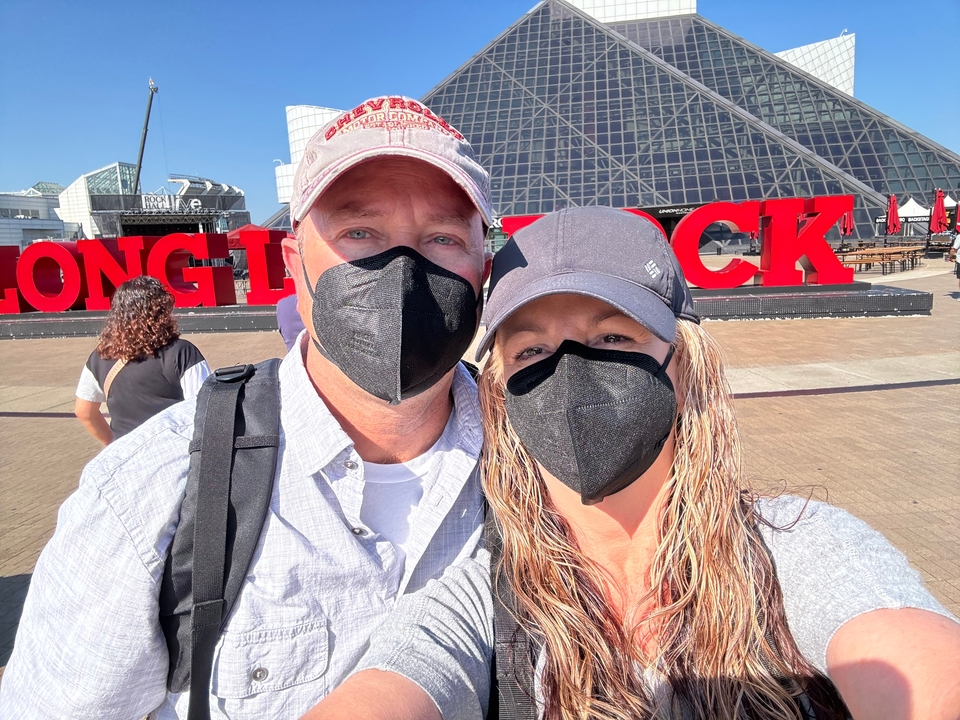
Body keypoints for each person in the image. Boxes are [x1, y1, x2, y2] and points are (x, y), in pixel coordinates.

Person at [1, 96, 495, 720]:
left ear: (483, 268)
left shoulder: (534, 464)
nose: (400, 268)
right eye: (359, 232)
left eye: (443, 236)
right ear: (294, 263)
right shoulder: (149, 491)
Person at [471, 207, 960, 719]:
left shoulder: (799, 546)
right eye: (531, 349)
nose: (569, 370)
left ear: (683, 366)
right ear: (502, 390)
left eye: (613, 337)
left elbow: (913, 662)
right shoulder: (479, 593)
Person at [73, 275, 211, 445]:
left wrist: (114, 445)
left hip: (127, 457)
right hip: (172, 452)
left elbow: (84, 412)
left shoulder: (100, 356)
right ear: (161, 312)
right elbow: (205, 409)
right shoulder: (181, 352)